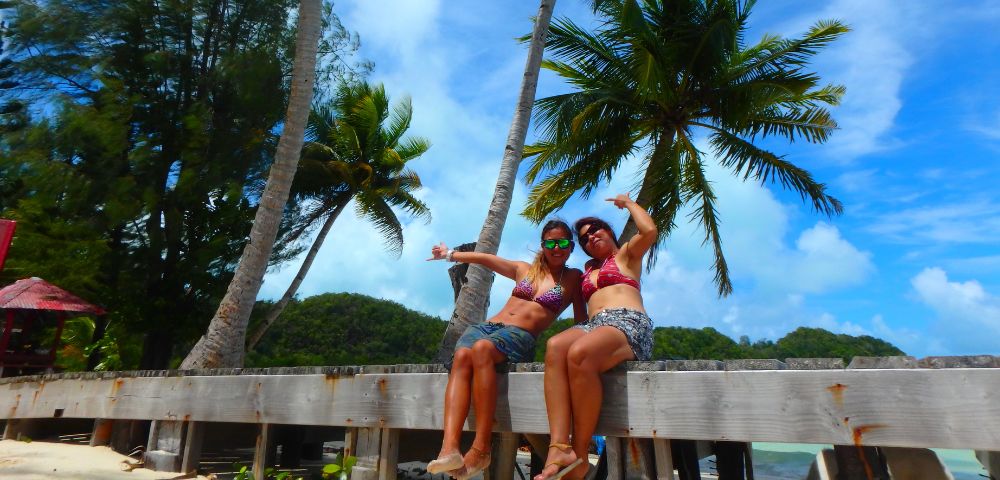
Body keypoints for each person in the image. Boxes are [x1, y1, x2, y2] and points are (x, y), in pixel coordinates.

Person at [426, 220, 587, 479]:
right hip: (487, 328)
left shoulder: (573, 277)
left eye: (563, 242)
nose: (557, 247)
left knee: (480, 350)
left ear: (570, 247)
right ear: (543, 246)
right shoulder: (524, 269)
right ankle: (450, 448)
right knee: (462, 356)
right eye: (550, 243)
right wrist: (449, 255)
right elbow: (486, 259)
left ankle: (481, 448)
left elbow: (581, 320)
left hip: (519, 336)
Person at [534, 193, 657, 480]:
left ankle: (578, 454)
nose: (590, 238)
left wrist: (628, 204)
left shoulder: (626, 255)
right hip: (594, 326)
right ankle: (559, 447)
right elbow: (580, 315)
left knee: (580, 353)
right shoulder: (587, 271)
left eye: (595, 231)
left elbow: (649, 230)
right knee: (555, 346)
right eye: (584, 239)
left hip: (628, 322)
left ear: (609, 231)